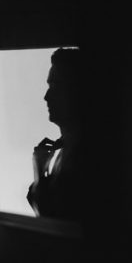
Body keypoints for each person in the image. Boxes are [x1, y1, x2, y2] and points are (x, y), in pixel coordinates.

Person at [27, 47, 84, 220]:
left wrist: (39, 171)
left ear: (76, 91)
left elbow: (53, 217)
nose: (46, 96)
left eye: (55, 86)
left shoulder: (84, 154)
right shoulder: (66, 148)